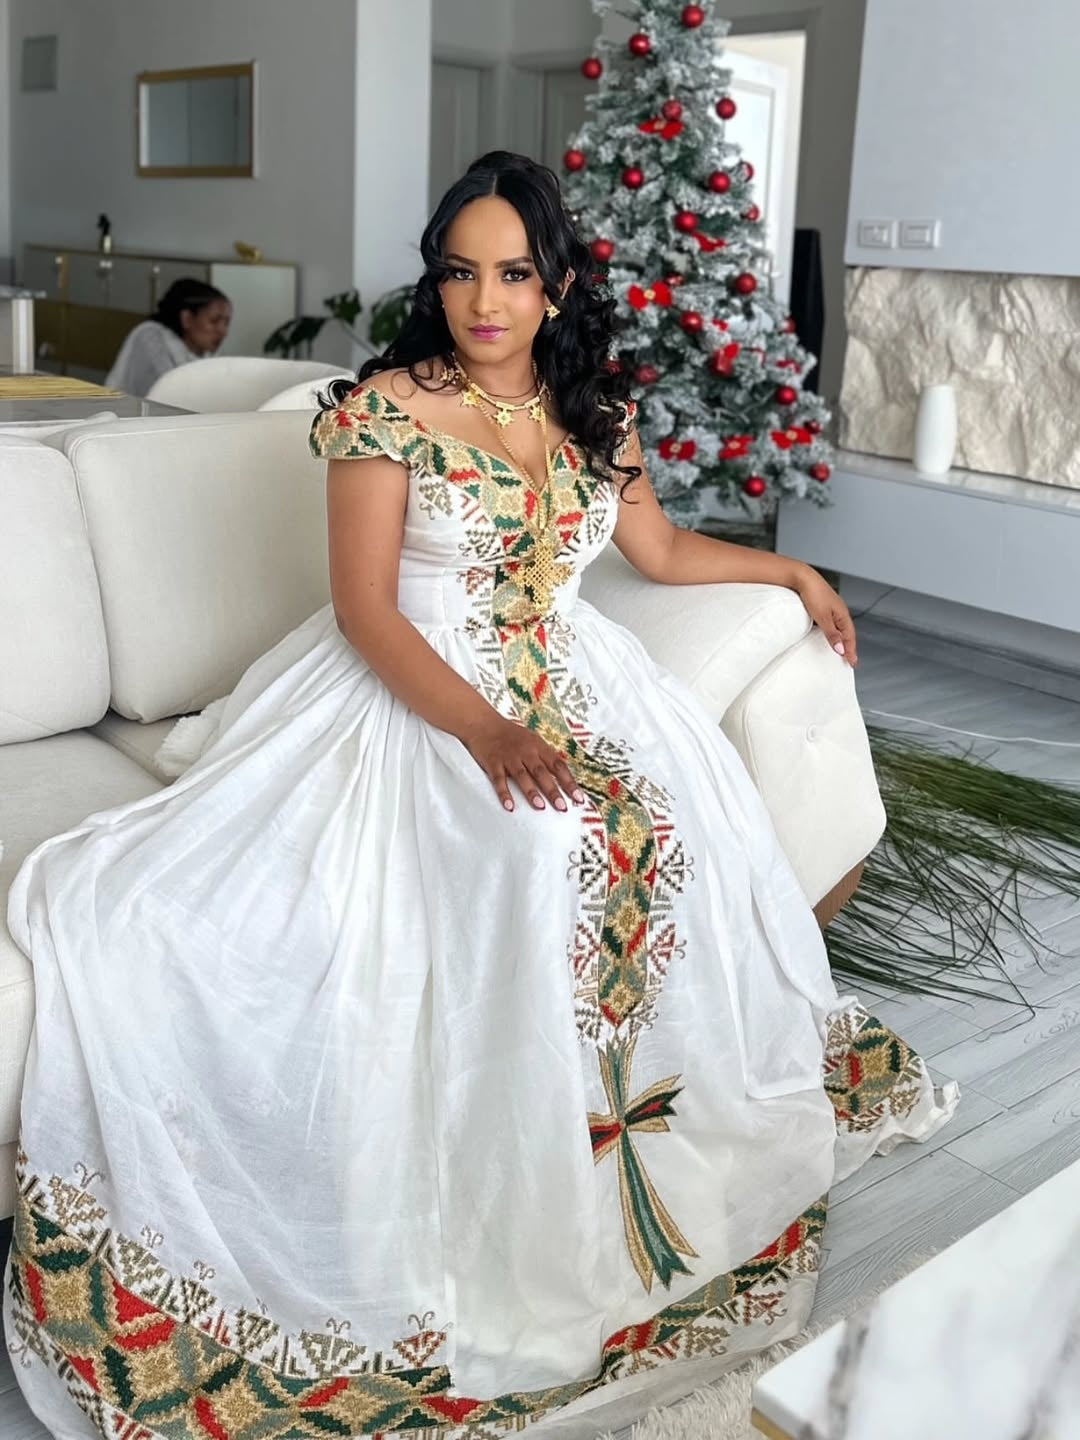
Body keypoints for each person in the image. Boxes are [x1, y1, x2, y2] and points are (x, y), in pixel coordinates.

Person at [4, 152, 957, 1438]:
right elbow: (363, 611)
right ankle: (494, 1191)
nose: (485, 299)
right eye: (461, 271)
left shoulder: (594, 409)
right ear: (438, 280)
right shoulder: (386, 408)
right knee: (508, 852)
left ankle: (620, 1153)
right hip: (417, 691)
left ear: (557, 284)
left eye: (513, 272)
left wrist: (794, 577)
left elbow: (659, 551)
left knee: (663, 826)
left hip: (582, 678)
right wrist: (488, 735)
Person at [105, 277, 231, 396]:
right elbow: (170, 393)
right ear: (186, 319)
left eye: (226, 323)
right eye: (214, 321)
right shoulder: (150, 336)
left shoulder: (208, 353)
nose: (223, 332)